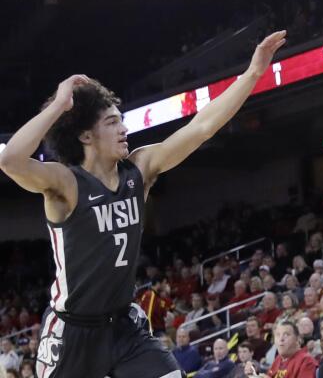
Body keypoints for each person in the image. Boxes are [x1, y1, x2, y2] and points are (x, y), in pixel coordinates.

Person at [0, 32, 286, 378]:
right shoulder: (66, 183)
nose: (124, 128)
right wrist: (60, 105)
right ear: (86, 136)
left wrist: (253, 73)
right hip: (73, 331)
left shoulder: (140, 170)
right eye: (112, 122)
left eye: (121, 119)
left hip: (124, 326)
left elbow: (203, 127)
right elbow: (11, 161)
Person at [249, 321, 318, 378]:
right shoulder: (278, 359)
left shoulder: (306, 361)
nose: (281, 339)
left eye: (286, 335)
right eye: (278, 335)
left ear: (297, 339)